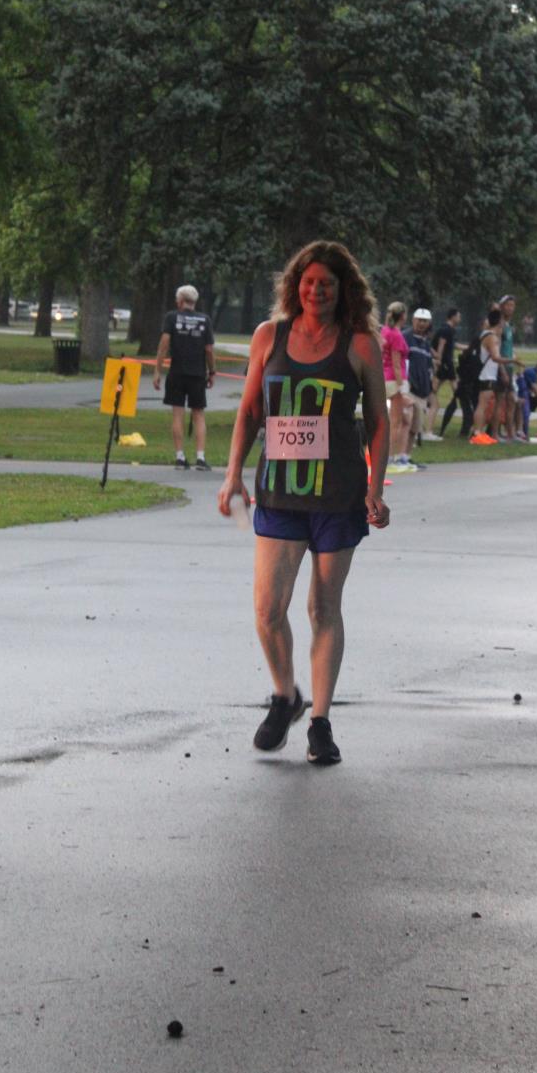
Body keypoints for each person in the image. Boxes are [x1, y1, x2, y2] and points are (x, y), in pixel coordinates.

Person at [217, 240, 390, 766]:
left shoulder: (359, 344)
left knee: (323, 608)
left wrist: (376, 487)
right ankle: (284, 695)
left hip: (338, 495)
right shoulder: (268, 337)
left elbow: (379, 422)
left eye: (327, 284)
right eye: (309, 282)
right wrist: (233, 475)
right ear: (296, 286)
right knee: (268, 609)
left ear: (343, 290)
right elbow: (250, 412)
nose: (317, 291)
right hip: (279, 493)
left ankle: (320, 721)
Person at [153, 284, 215, 470]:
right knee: (199, 415)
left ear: (180, 301)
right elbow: (209, 350)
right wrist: (212, 371)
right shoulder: (205, 320)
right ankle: (201, 458)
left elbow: (164, 345)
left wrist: (157, 370)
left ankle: (180, 457)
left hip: (177, 372)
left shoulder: (171, 317)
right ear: (194, 301)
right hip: (197, 373)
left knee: (177, 414)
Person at [381, 301, 415, 472]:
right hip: (395, 380)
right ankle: (389, 458)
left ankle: (399, 456)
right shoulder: (395, 335)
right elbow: (396, 363)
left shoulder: (385, 331)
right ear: (403, 316)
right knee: (396, 422)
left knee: (404, 419)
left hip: (387, 378)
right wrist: (402, 389)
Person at [470, 307, 508, 444]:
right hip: (486, 374)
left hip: (487, 374)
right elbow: (495, 357)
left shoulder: (487, 334)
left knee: (484, 405)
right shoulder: (491, 337)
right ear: (499, 321)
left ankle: (479, 432)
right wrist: (513, 360)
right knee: (482, 405)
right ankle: (477, 434)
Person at [425, 306, 461, 439]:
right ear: (453, 316)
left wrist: (468, 348)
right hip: (445, 364)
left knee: (433, 392)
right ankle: (427, 429)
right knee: (455, 391)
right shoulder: (446, 330)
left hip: (446, 364)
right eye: (458, 316)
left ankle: (427, 404)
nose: (460, 319)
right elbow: (441, 345)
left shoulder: (450, 330)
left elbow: (453, 345)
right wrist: (439, 360)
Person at [403, 308, 434, 450]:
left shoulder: (425, 343)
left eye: (425, 321)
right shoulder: (406, 337)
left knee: (415, 427)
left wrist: (429, 388)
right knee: (406, 422)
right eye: (419, 320)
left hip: (422, 390)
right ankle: (400, 453)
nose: (422, 324)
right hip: (409, 387)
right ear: (413, 320)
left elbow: (428, 367)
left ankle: (406, 455)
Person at [492, 294, 517, 440]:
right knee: (499, 401)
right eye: (507, 305)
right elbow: (497, 349)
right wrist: (502, 371)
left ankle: (511, 434)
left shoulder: (508, 325)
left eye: (512, 305)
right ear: (502, 307)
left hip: (509, 366)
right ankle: (495, 433)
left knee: (512, 399)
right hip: (501, 367)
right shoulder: (500, 326)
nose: (510, 308)